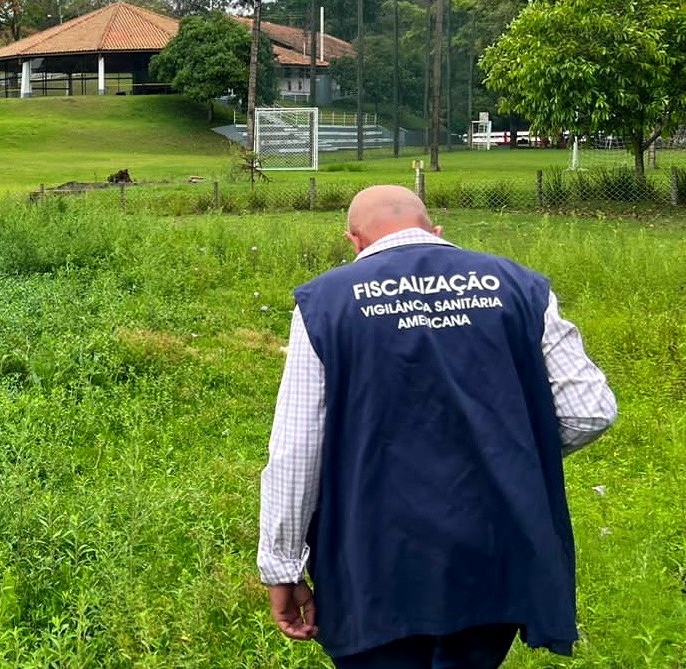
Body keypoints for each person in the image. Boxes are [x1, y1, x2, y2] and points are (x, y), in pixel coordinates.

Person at [258, 185, 616, 669]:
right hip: (495, 541)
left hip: (375, 551)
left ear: (355, 243)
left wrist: (281, 566)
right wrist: (503, 455)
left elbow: (297, 452)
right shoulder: (521, 287)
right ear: (436, 231)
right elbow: (588, 410)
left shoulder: (326, 303)